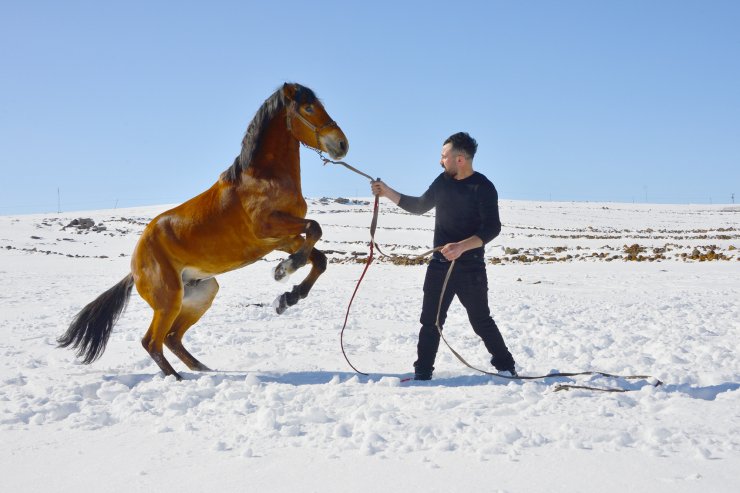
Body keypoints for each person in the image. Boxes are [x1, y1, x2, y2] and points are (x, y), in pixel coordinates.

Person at [371, 132, 516, 380]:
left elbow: (493, 228)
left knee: (481, 321)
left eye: (443, 156)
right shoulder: (442, 182)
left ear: (459, 159)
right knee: (430, 322)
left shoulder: (483, 187)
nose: (440, 161)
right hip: (439, 266)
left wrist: (461, 246)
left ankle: (506, 368)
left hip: (471, 269)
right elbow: (418, 206)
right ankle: (423, 374)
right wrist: (386, 192)